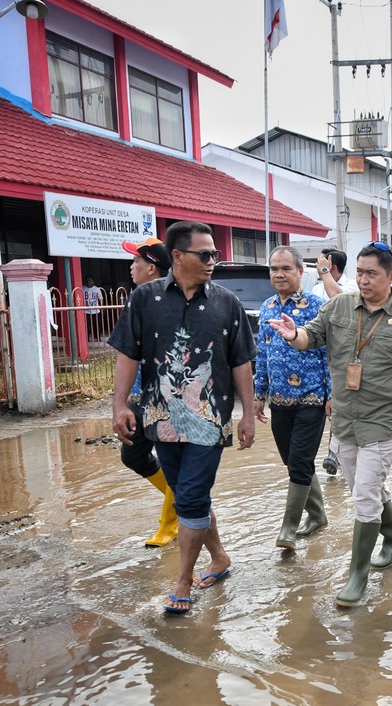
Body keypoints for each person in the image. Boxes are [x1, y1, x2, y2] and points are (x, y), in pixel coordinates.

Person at [269, 241, 392, 607]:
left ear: (391, 276)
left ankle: (358, 575)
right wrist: (294, 335)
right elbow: (311, 336)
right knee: (366, 487)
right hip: (344, 419)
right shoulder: (340, 305)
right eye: (360, 272)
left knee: (365, 495)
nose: (364, 279)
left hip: (382, 419)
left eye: (372, 273)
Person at [110, 220, 256, 616]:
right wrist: (119, 405)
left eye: (215, 255)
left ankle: (182, 581)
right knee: (191, 498)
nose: (212, 261)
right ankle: (221, 557)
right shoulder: (145, 299)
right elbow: (128, 354)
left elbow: (241, 362)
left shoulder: (227, 303)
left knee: (190, 497)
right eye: (204, 254)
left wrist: (247, 415)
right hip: (159, 417)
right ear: (177, 256)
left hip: (209, 420)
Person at [115, 236, 192, 549]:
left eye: (136, 261)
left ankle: (169, 524)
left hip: (169, 397)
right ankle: (184, 501)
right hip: (138, 395)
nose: (132, 267)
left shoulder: (174, 302)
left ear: (152, 268)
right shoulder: (138, 299)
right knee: (132, 454)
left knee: (172, 458)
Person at [254, 245, 330, 554]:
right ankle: (319, 515)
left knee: (299, 461)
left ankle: (288, 527)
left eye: (286, 268)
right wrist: (259, 395)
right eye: (274, 269)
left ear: (300, 272)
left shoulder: (317, 305)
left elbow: (330, 353)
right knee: (293, 462)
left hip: (312, 397)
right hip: (279, 401)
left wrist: (332, 394)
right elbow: (262, 355)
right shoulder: (268, 306)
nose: (279, 274)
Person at [311, 248, 353, 476]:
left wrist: (324, 271)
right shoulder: (317, 288)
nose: (317, 267)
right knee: (327, 406)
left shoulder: (352, 287)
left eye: (321, 262)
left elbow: (339, 300)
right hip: (320, 355)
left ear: (331, 265)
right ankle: (334, 453)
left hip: (344, 356)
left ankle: (335, 455)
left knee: (340, 404)